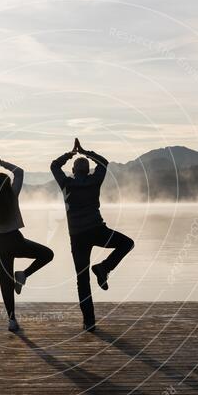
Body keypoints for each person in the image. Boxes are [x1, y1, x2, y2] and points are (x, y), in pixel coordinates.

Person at [51, 138, 134, 332]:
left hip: (78, 236)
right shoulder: (95, 181)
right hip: (98, 230)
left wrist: (71, 154)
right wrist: (85, 152)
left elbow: (54, 165)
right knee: (127, 243)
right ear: (88, 170)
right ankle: (104, 267)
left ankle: (89, 322)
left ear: (73, 171)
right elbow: (104, 162)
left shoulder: (66, 184)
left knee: (82, 279)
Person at [0, 149, 54, 332]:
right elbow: (19, 172)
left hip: (1, 244)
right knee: (47, 254)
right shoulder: (13, 195)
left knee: (5, 282)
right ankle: (24, 274)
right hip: (16, 240)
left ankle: (12, 320)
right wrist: (2, 163)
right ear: (8, 184)